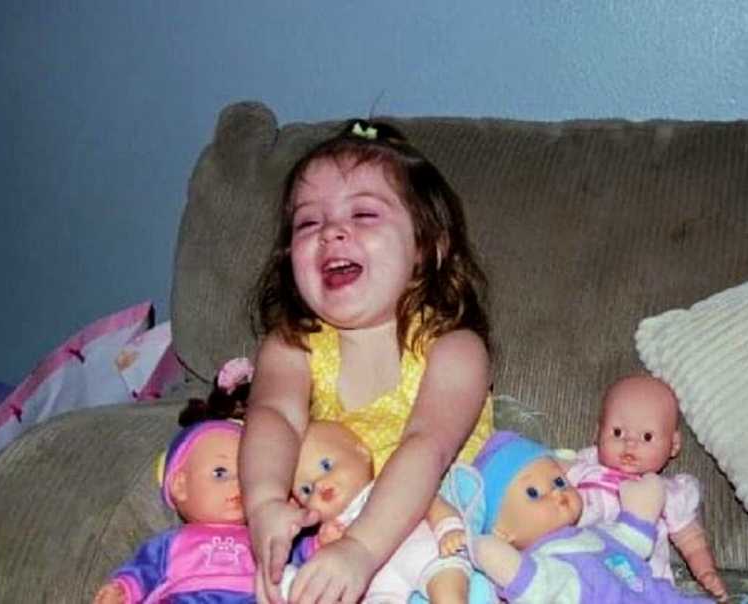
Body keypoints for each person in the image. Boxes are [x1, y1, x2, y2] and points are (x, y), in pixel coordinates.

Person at [242, 119, 494, 603]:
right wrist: (266, 505)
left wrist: (361, 548)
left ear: (427, 247)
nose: (332, 232)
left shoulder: (455, 348)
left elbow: (426, 447)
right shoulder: (292, 345)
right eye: (308, 222)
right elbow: (272, 416)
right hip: (327, 534)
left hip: (437, 538)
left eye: (363, 215)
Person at [453, 431, 713, 603]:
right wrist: (485, 549)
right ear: (502, 531)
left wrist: (640, 510)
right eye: (533, 493)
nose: (556, 492)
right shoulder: (544, 561)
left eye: (558, 480)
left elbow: (632, 541)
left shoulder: (596, 532)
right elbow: (532, 582)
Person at [565, 374, 726, 600]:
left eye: (647, 436)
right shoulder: (583, 469)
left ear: (674, 444)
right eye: (618, 432)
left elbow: (690, 539)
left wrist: (706, 572)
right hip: (580, 576)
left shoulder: (667, 493)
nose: (630, 443)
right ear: (597, 434)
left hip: (639, 586)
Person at [92, 419, 264, 603]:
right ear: (180, 486)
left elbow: (292, 564)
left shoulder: (265, 534)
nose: (238, 484)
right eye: (220, 473)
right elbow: (144, 570)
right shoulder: (172, 542)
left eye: (247, 474)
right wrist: (124, 590)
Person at [291, 420, 457, 602]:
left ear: (362, 453)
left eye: (326, 466)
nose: (319, 485)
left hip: (422, 551)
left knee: (445, 583)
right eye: (306, 490)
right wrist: (326, 545)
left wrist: (448, 528)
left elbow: (430, 500)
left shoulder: (388, 484)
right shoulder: (327, 534)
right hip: (380, 585)